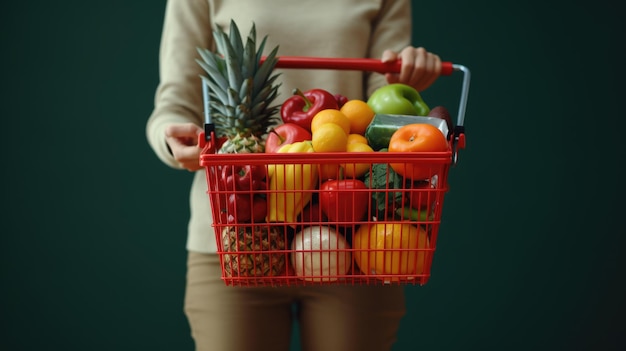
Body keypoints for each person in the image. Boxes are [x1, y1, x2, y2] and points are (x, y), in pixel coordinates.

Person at [146, 1, 442, 350]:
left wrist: (406, 74)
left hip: (352, 232)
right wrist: (171, 138)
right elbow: (174, 102)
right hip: (233, 236)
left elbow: (381, 98)